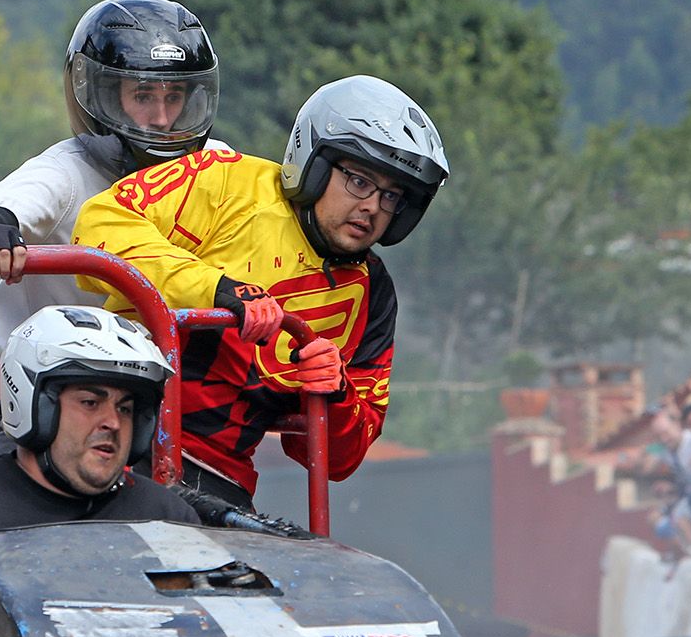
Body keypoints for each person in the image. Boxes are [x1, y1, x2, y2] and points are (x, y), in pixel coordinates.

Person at [73, 74, 447, 510]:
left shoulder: (374, 295)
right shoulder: (226, 182)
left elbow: (340, 461)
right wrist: (216, 288)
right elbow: (99, 223)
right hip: (100, 423)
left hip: (211, 475)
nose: (372, 207)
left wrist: (334, 392)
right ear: (315, 163)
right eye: (360, 182)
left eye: (392, 197)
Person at [0, 0, 225, 348]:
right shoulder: (65, 173)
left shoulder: (215, 164)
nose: (163, 119)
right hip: (67, 381)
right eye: (144, 96)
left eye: (174, 96)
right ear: (102, 95)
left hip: (183, 382)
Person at [0, 306, 200, 538]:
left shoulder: (167, 519)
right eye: (90, 403)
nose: (113, 423)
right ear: (36, 406)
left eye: (125, 409)